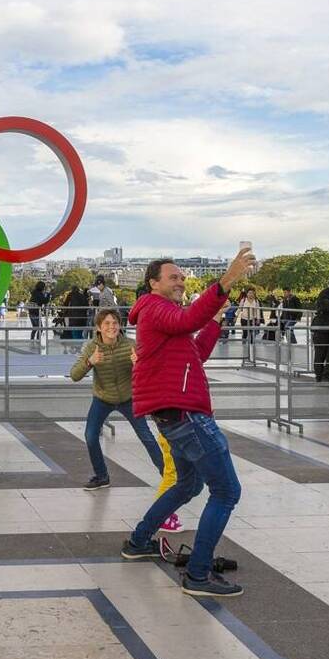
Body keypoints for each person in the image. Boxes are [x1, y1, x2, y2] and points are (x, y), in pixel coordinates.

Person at [120, 247, 256, 598]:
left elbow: (198, 352)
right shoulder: (155, 308)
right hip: (186, 414)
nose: (180, 281)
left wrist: (214, 319)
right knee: (226, 492)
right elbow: (187, 321)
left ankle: (139, 541)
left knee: (187, 485)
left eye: (182, 276)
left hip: (174, 415)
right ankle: (198, 575)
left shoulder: (163, 315)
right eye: (173, 277)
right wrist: (227, 280)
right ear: (153, 283)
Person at [71, 308, 184, 531]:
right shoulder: (91, 347)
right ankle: (102, 476)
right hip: (102, 399)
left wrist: (139, 363)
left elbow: (152, 369)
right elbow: (74, 375)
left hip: (129, 399)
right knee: (90, 436)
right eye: (107, 324)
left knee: (147, 437)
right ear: (98, 328)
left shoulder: (131, 345)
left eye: (115, 323)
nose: (111, 327)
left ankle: (168, 478)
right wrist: (90, 362)